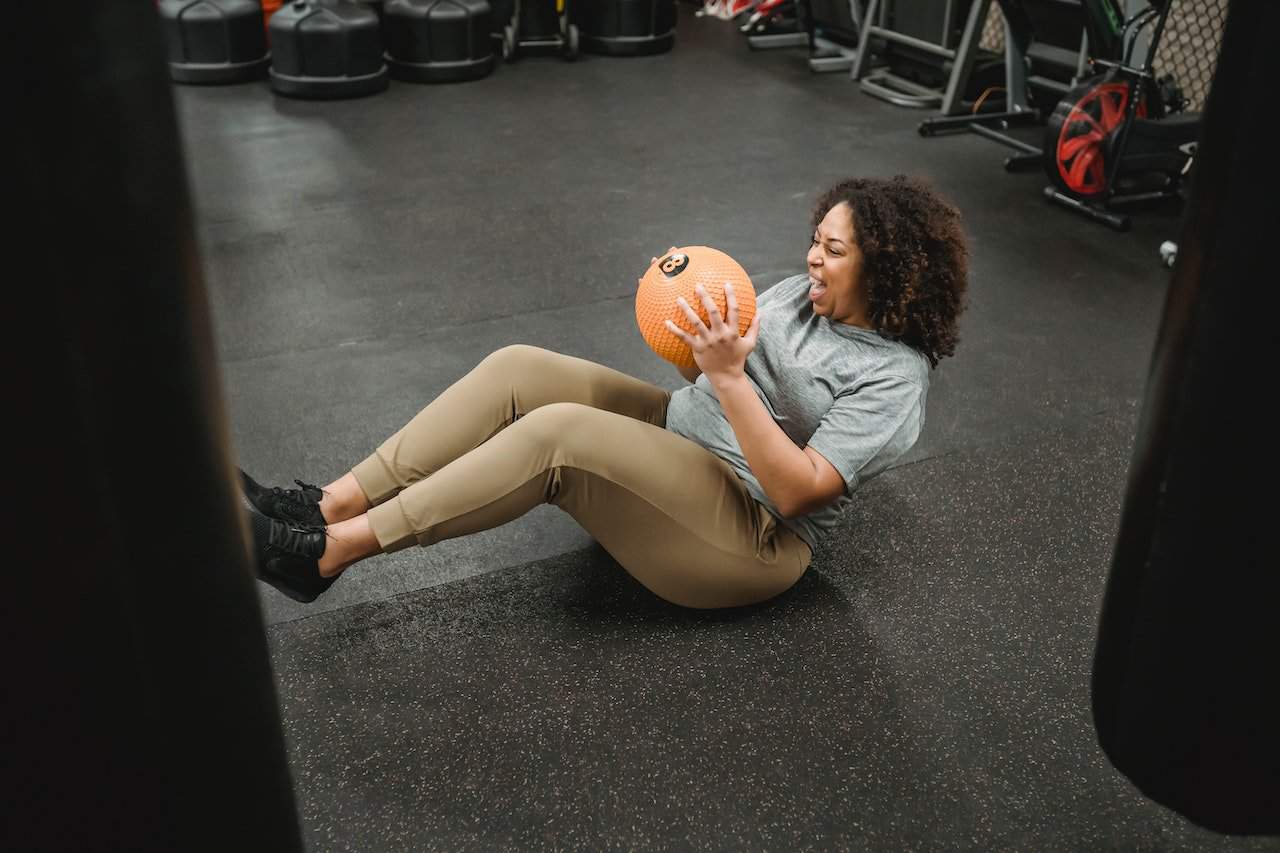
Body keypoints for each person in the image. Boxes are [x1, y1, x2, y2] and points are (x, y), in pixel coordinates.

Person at [241, 175, 969, 609]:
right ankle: (330, 502)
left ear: (888, 269)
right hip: (680, 438)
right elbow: (705, 376)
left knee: (558, 435)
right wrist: (681, 317)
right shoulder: (794, 295)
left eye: (834, 250)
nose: (813, 255)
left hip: (748, 533)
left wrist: (723, 375)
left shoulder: (893, 378)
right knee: (519, 366)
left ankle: (326, 554)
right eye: (816, 237)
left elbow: (799, 491)